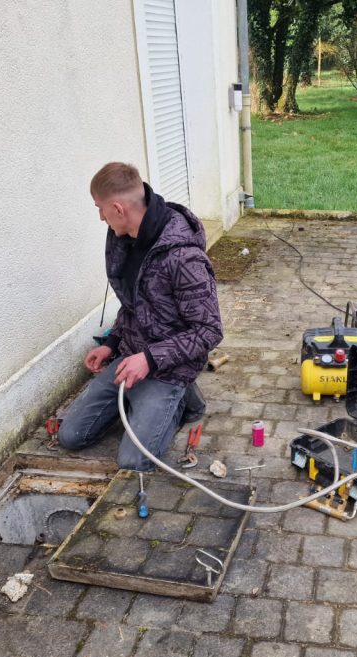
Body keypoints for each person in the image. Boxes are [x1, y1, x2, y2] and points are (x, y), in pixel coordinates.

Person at [58, 162, 222, 470]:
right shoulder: (123, 240)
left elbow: (209, 331)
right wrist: (112, 342)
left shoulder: (183, 257)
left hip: (168, 368)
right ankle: (153, 404)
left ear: (118, 208)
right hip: (130, 357)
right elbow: (134, 303)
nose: (100, 216)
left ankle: (182, 400)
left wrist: (148, 359)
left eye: (100, 208)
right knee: (71, 435)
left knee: (133, 462)